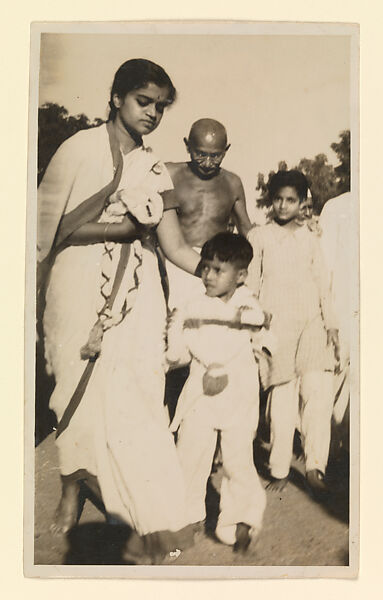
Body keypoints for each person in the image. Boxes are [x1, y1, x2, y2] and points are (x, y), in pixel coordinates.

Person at [37, 59, 201, 563]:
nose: (152, 114)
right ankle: (72, 487)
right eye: (143, 102)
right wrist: (122, 231)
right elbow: (46, 231)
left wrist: (225, 277)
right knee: (74, 393)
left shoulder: (155, 166)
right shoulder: (78, 148)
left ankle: (135, 509)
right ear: (116, 98)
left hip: (138, 294)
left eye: (160, 107)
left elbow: (173, 246)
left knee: (135, 395)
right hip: (78, 285)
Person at [166, 233, 270, 552]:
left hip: (238, 394)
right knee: (190, 453)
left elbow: (264, 341)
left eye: (217, 270)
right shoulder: (192, 307)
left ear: (240, 276)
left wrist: (264, 353)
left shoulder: (250, 307)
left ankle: (237, 521)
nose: (208, 275)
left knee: (238, 458)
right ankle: (187, 517)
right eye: (205, 268)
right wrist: (169, 354)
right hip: (200, 391)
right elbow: (178, 351)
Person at [247, 170, 340, 494]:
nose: (284, 206)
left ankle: (316, 466)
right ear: (271, 201)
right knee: (282, 402)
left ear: (303, 203)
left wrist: (331, 324)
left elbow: (322, 284)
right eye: (278, 199)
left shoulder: (311, 237)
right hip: (276, 329)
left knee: (317, 393)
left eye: (291, 200)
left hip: (312, 324)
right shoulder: (259, 236)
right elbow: (251, 282)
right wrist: (254, 323)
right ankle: (280, 468)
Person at [165, 118, 252, 309]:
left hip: (214, 267)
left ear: (226, 150)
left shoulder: (232, 182)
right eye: (200, 154)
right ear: (187, 146)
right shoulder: (170, 174)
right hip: (172, 264)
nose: (207, 163)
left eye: (215, 156)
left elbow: (246, 229)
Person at [319, 192, 354, 448]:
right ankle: (323, 446)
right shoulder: (338, 207)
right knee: (334, 372)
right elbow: (324, 266)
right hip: (343, 304)